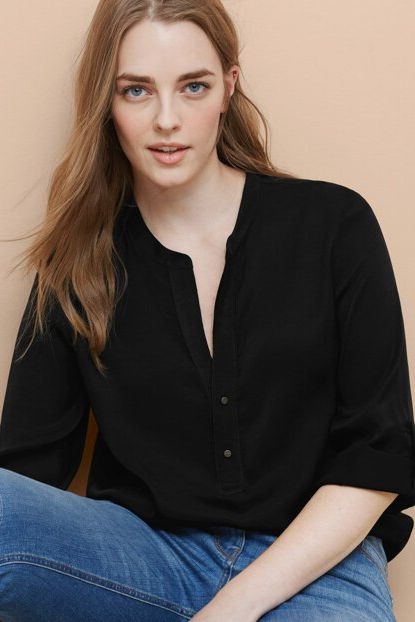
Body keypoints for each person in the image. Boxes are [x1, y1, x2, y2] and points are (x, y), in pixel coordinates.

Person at [0, 1, 414, 620]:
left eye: (193, 86)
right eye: (136, 90)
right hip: (142, 557)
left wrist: (230, 609)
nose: (167, 120)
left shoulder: (334, 225)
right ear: (107, 103)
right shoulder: (76, 261)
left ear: (228, 88)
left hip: (316, 567)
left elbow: (377, 454)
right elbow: (24, 480)